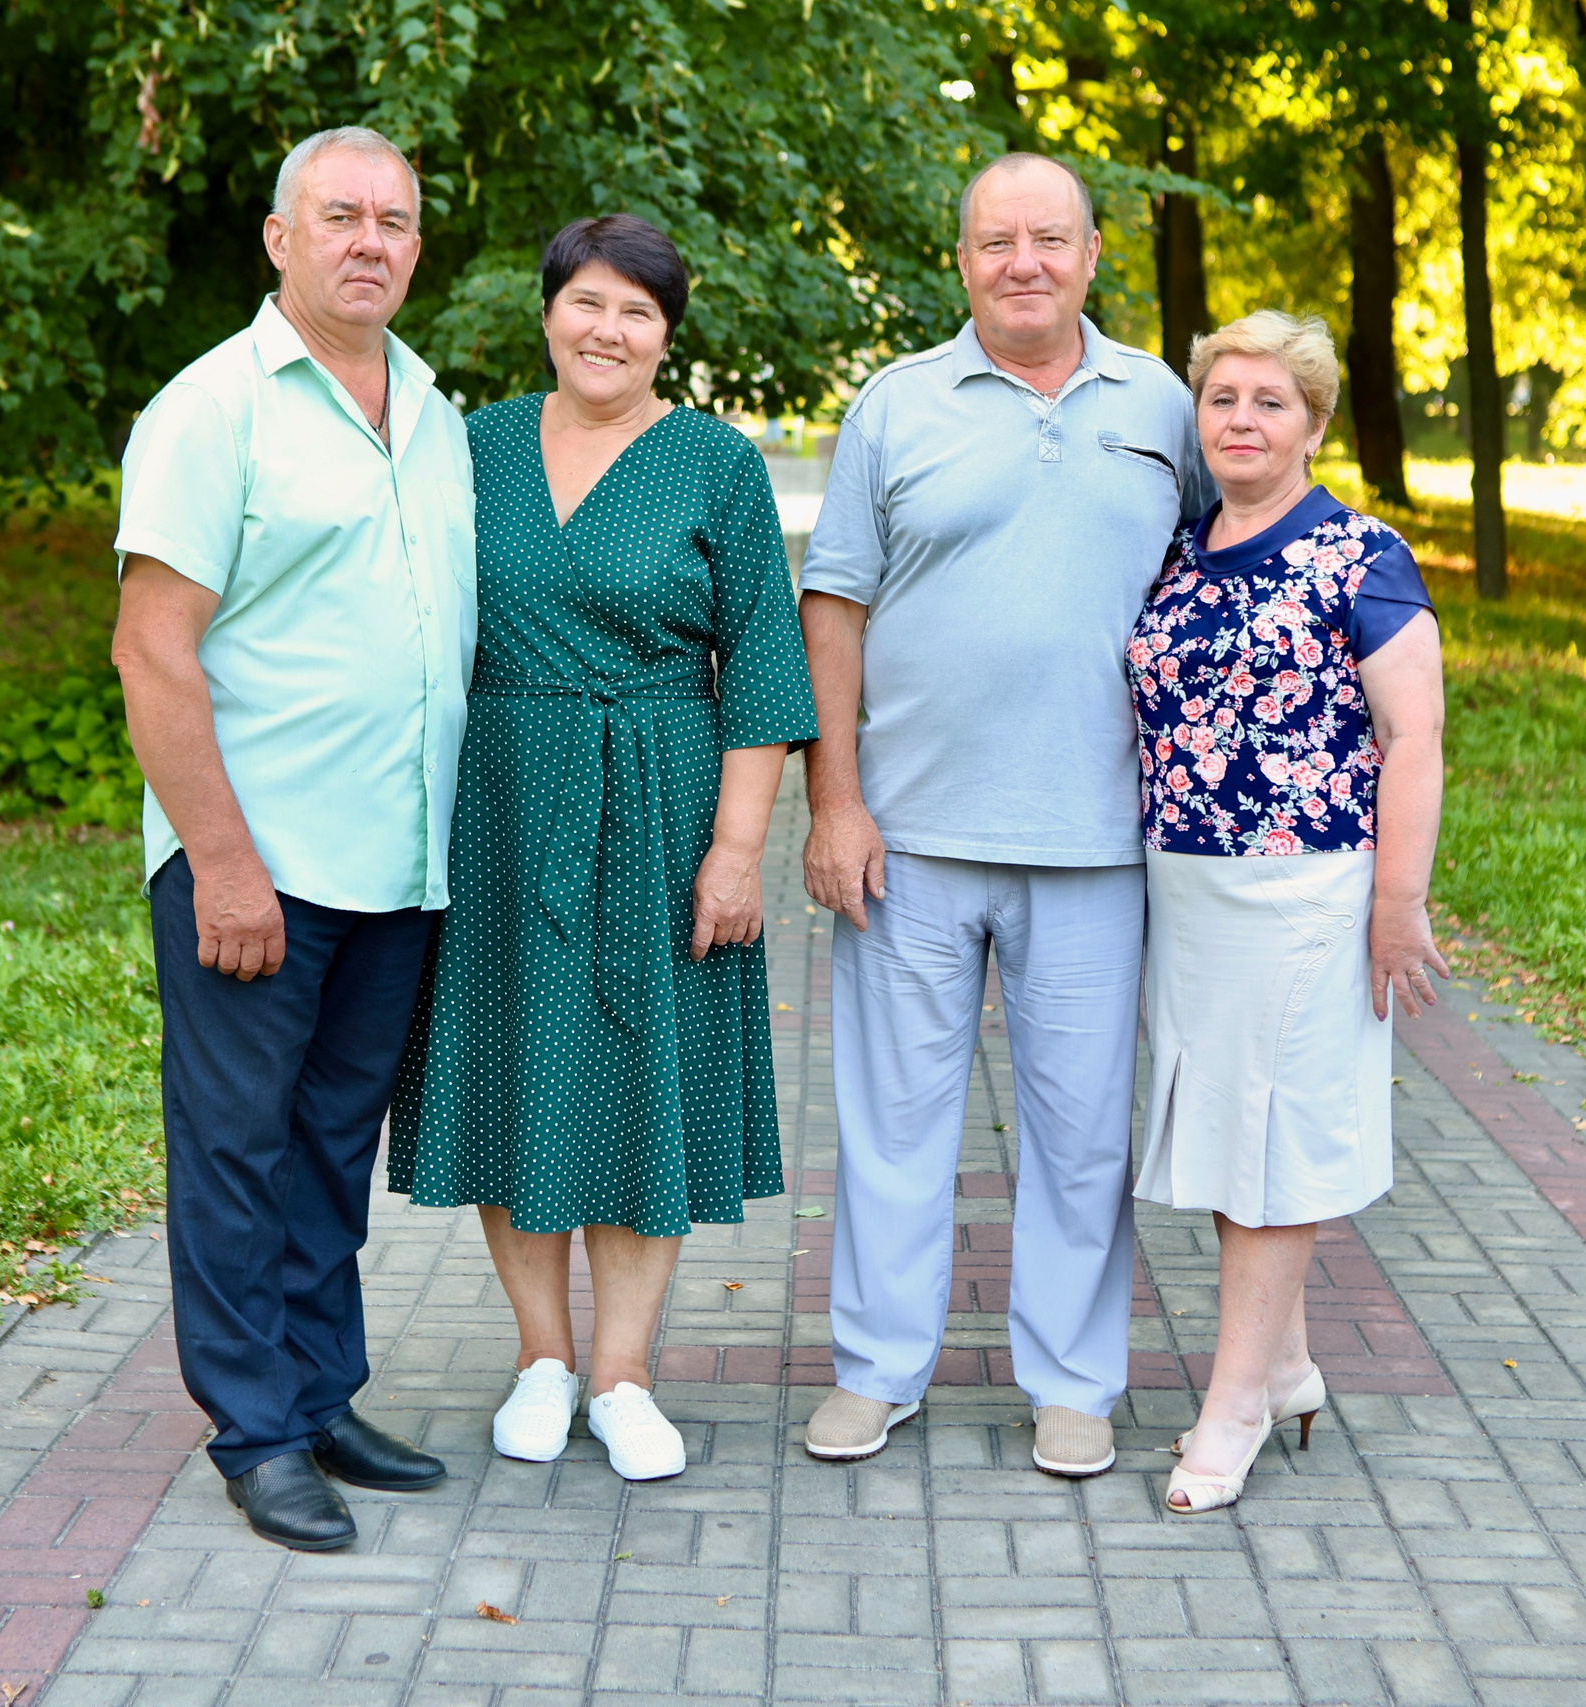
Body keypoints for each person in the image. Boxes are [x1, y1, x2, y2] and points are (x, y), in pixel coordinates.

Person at [797, 154, 1215, 1477]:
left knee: (1084, 1133)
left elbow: (1224, 566)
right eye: (996, 241)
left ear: (1094, 254)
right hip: (908, 838)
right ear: (961, 259)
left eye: (1049, 239)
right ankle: (875, 1368)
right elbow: (836, 604)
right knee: (892, 1123)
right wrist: (836, 800)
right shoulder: (896, 404)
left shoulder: (1159, 400)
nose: (1021, 262)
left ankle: (1076, 1383)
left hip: (1099, 841)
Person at [388, 215, 818, 1482]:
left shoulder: (712, 464)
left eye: (637, 311)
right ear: (547, 314)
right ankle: (540, 1358)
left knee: (644, 1077)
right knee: (518, 1062)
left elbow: (765, 665)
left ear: (667, 335)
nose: (607, 330)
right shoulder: (471, 449)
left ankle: (624, 1375)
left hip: (666, 792)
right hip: (504, 796)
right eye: (586, 302)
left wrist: (736, 852)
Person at [111, 126, 472, 1552]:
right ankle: (255, 1428)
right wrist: (222, 859)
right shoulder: (213, 411)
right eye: (339, 216)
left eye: (394, 219)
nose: (368, 240)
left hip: (398, 861)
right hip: (257, 865)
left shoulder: (433, 409)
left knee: (331, 1142)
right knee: (238, 1146)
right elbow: (153, 651)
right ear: (278, 238)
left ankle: (323, 1392)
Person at [1124, 310, 1448, 1514]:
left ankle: (1236, 1403)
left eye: (1269, 402)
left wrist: (1396, 907)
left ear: (1313, 424)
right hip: (1188, 890)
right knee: (1229, 1136)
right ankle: (1292, 1365)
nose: (1242, 421)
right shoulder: (1179, 550)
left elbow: (1412, 735)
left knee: (1273, 1147)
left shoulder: (1361, 556)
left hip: (1308, 892)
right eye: (1222, 400)